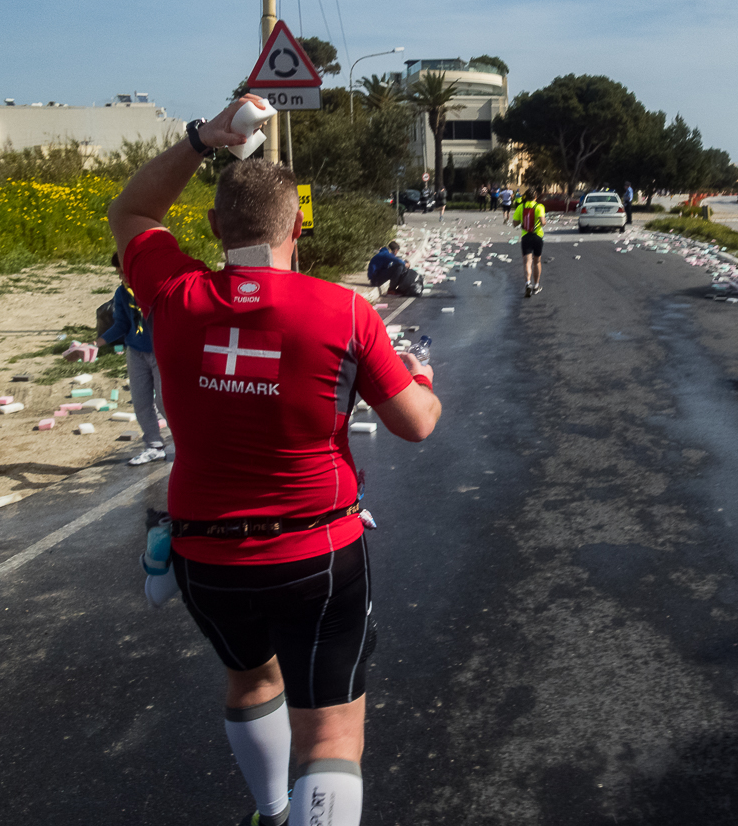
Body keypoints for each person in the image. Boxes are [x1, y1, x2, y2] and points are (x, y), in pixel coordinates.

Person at [106, 95, 442, 826]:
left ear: (214, 227)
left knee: (249, 680)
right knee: (331, 730)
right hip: (316, 549)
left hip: (206, 551)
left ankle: (269, 809)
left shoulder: (171, 293)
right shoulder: (345, 312)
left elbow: (130, 213)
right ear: (298, 226)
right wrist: (420, 381)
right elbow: (413, 426)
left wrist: (202, 138)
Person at [95, 252, 167, 464]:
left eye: (123, 272)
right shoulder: (122, 294)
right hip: (136, 353)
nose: (121, 277)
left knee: (164, 401)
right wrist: (96, 344)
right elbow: (120, 325)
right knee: (141, 401)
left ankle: (185, 446)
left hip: (160, 352)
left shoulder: (158, 290)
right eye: (118, 273)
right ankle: (154, 446)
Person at [513, 187, 546, 298]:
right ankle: (536, 286)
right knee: (537, 262)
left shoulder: (520, 207)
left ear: (526, 197)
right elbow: (543, 222)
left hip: (526, 237)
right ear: (535, 197)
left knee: (527, 261)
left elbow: (514, 223)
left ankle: (528, 283)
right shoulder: (539, 207)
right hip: (537, 236)